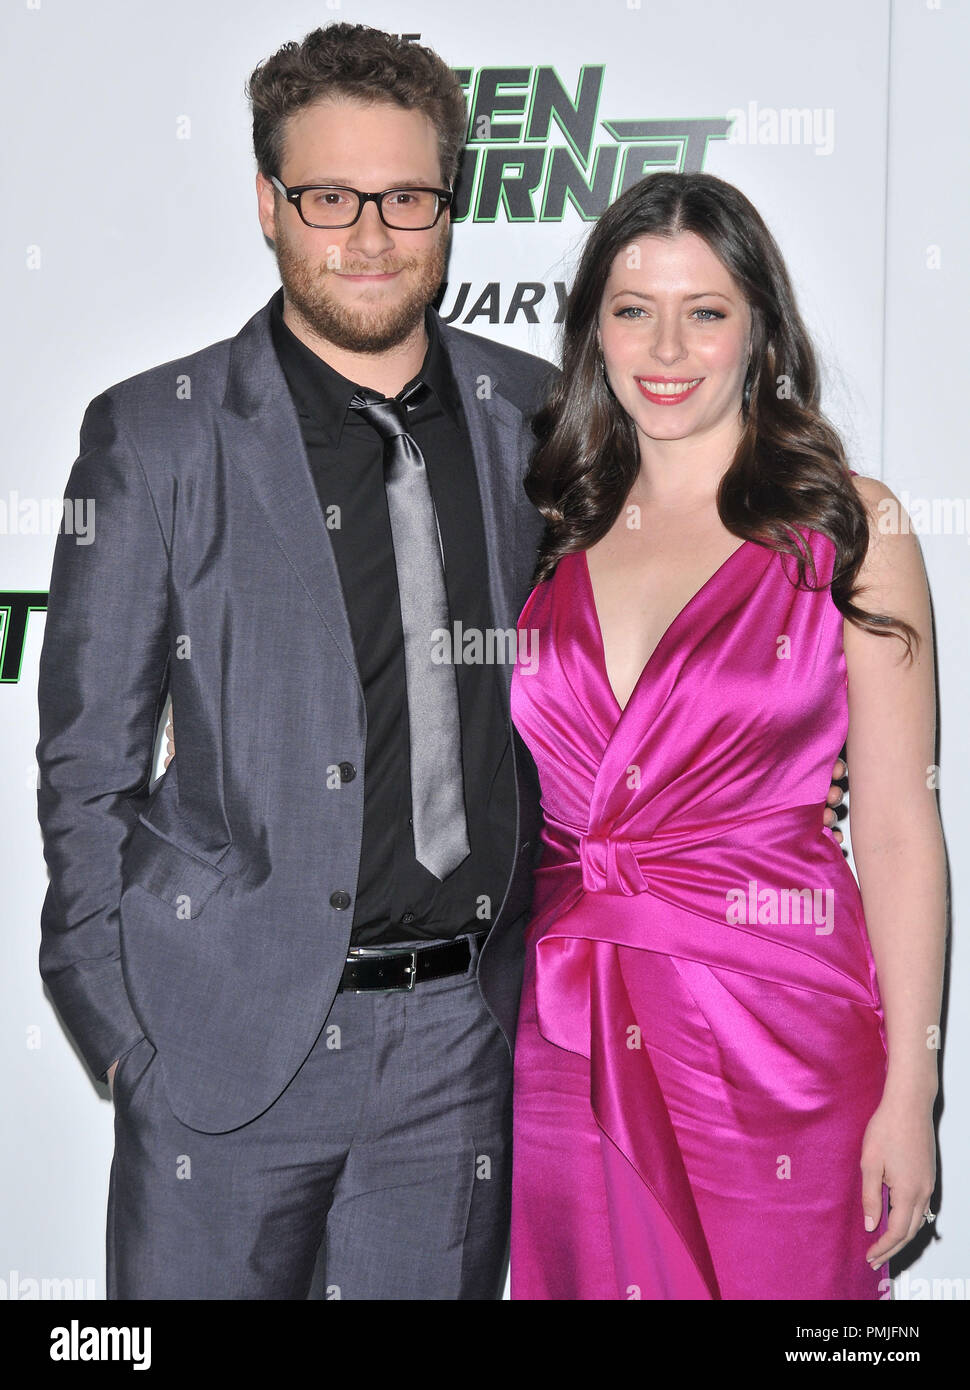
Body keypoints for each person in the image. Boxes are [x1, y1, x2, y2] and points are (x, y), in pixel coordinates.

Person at [35, 23, 846, 1300]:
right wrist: (125, 1037)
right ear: (267, 202)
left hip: (463, 1054)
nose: (369, 235)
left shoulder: (540, 419)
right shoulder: (157, 435)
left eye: (407, 197)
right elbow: (85, 761)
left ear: (450, 207)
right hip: (224, 1051)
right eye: (329, 197)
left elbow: (668, 614)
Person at [508, 171, 945, 1300]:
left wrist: (911, 1093)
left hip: (779, 1040)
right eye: (630, 307)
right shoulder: (545, 533)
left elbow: (894, 830)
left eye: (704, 310)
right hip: (565, 1034)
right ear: (590, 329)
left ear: (759, 331)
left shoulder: (848, 528)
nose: (666, 344)